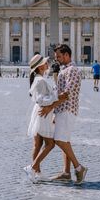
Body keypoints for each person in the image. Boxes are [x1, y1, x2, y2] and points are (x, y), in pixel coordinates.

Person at [39, 44, 88, 184]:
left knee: (60, 140)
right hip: (62, 109)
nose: (57, 60)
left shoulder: (72, 70)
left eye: (59, 57)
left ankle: (79, 168)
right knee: (64, 140)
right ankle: (66, 172)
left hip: (67, 109)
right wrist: (55, 110)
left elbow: (66, 94)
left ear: (67, 55)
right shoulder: (65, 70)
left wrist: (50, 108)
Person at [24, 53, 68, 183]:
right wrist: (58, 96)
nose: (47, 63)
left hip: (38, 111)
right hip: (44, 112)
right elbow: (42, 100)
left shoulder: (38, 79)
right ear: (40, 67)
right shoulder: (40, 80)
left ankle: (36, 173)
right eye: (45, 62)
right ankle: (32, 168)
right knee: (50, 143)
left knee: (37, 145)